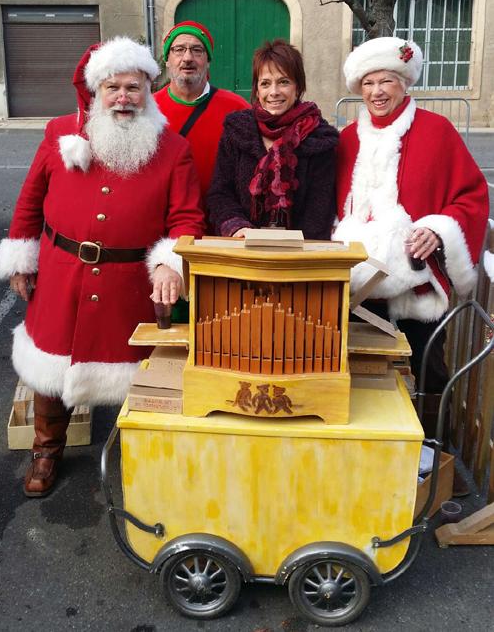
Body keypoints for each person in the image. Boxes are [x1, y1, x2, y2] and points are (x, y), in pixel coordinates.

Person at [0, 36, 205, 497]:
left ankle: (142, 453)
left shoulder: (172, 148)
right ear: (96, 91)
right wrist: (21, 257)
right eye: (113, 87)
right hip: (60, 270)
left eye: (134, 87)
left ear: (150, 88)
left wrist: (170, 262)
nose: (124, 98)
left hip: (128, 283)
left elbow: (187, 216)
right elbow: (31, 200)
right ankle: (47, 449)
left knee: (136, 371)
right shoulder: (58, 134)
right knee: (49, 366)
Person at [334, 37, 488, 482]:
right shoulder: (346, 139)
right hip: (355, 285)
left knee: (425, 371)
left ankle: (436, 465)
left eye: (387, 81)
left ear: (404, 83)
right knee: (361, 374)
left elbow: (471, 197)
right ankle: (369, 465)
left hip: (415, 285)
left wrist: (436, 230)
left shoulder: (437, 131)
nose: (377, 91)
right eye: (368, 82)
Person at [206, 39, 338, 239]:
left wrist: (287, 251)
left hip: (300, 258)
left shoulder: (319, 138)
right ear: (257, 90)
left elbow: (320, 209)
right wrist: (236, 226)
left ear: (298, 87)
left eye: (283, 82)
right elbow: (220, 193)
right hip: (242, 253)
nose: (274, 92)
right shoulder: (237, 131)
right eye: (265, 83)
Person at [154, 20, 249, 202]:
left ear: (208, 60)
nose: (188, 58)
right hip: (167, 225)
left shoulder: (237, 109)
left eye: (197, 50)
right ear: (167, 60)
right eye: (179, 49)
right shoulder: (148, 109)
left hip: (222, 224)